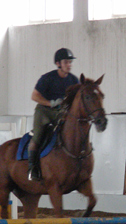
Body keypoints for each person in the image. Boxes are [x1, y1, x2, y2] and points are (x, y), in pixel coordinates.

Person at [28, 48, 79, 181]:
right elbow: (34, 96)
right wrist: (50, 103)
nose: (69, 64)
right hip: (44, 111)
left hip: (61, 112)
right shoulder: (47, 78)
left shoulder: (74, 80)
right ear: (58, 64)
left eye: (70, 62)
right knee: (38, 136)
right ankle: (32, 168)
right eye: (66, 62)